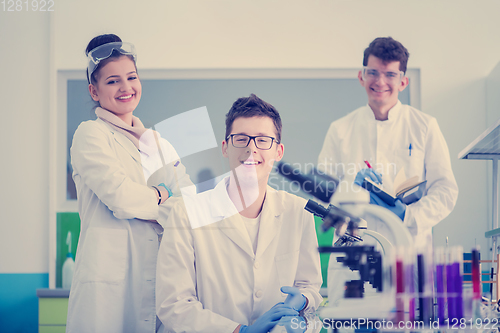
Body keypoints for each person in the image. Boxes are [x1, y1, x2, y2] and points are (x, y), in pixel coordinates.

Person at [156, 94, 323, 333]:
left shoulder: (299, 211)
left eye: (263, 140)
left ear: (279, 151)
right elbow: (174, 305)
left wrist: (304, 304)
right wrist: (239, 331)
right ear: (225, 148)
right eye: (241, 139)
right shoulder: (187, 213)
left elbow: (309, 288)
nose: (251, 148)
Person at [66, 34, 192, 333]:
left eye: (131, 77)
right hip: (108, 286)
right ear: (93, 91)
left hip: (162, 280)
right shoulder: (91, 135)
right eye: (112, 81)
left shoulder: (158, 143)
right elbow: (121, 198)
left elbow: (189, 202)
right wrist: (163, 194)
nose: (125, 88)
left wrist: (152, 199)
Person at [318, 37, 459, 303]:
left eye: (390, 74)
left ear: (403, 81)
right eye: (373, 72)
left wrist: (409, 215)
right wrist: (351, 186)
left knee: (407, 322)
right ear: (361, 76)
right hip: (357, 256)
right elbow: (324, 192)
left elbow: (446, 190)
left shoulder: (424, 126)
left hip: (408, 256)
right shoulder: (341, 130)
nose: (380, 82)